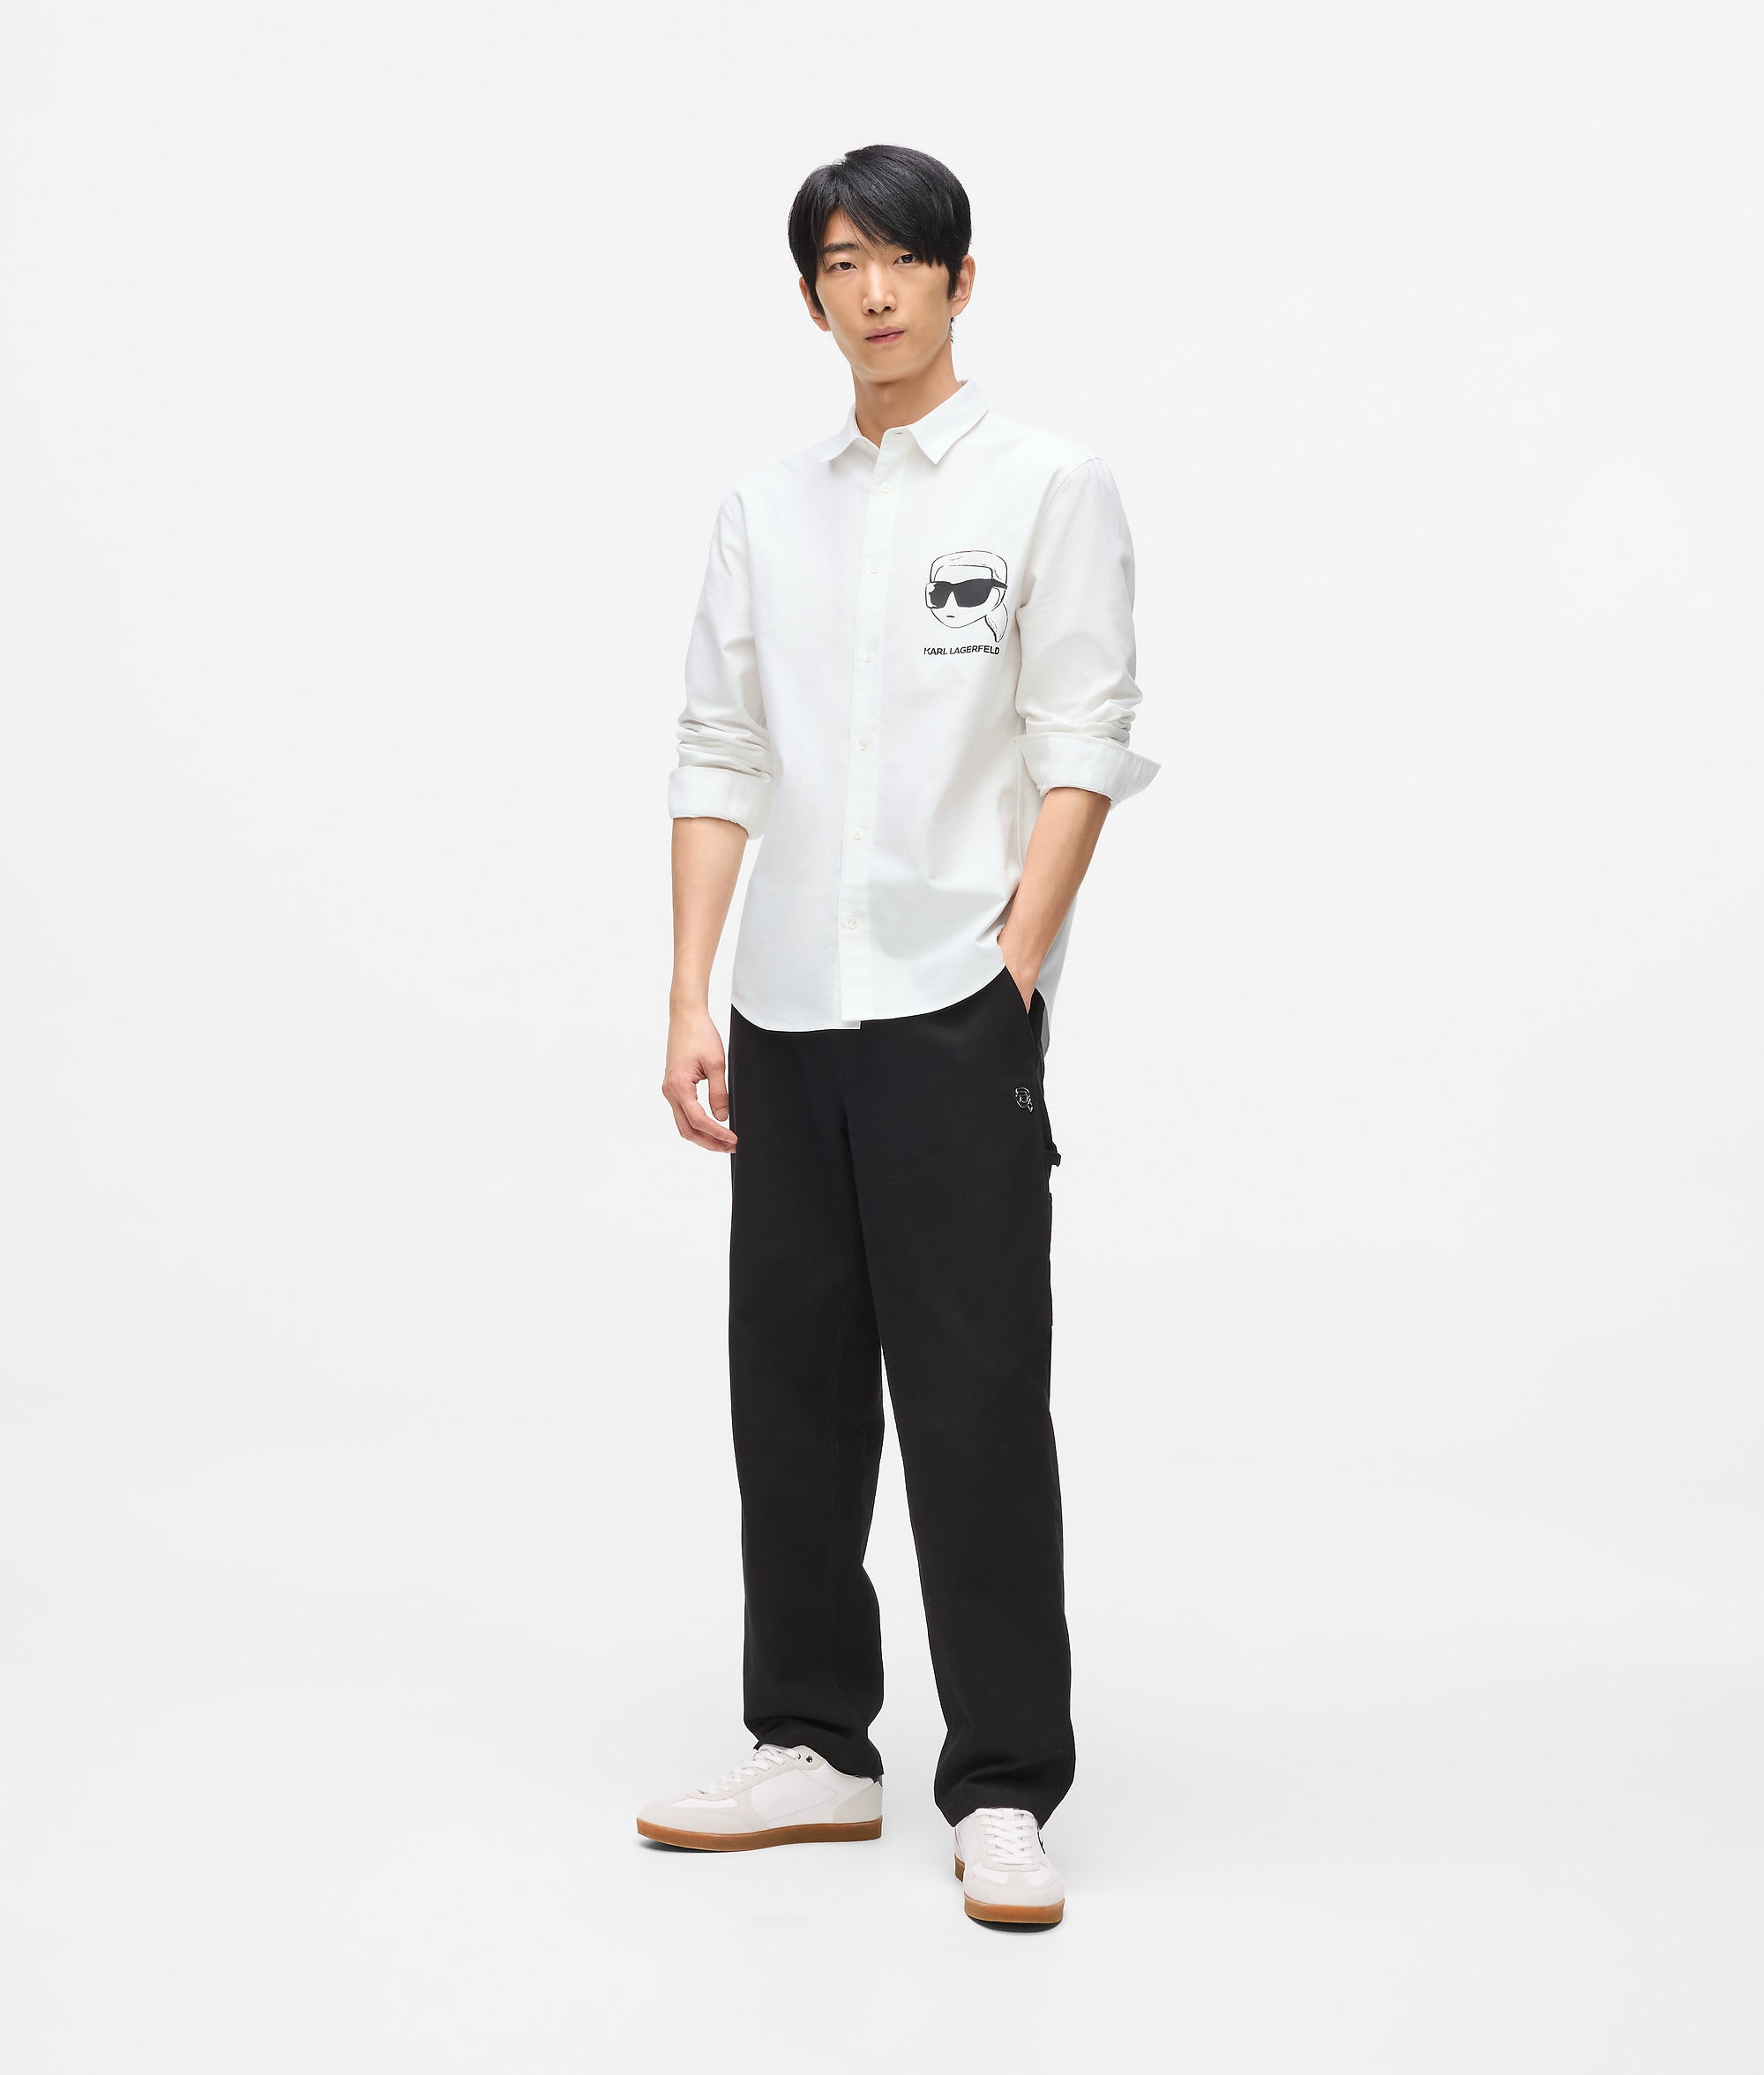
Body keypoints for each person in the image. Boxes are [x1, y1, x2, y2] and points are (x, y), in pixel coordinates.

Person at [646, 143, 1159, 1928]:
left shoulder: (1045, 485)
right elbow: (720, 747)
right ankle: (813, 1744)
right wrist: (690, 987)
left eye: (903, 260)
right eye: (841, 264)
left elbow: (1086, 730)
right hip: (785, 1005)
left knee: (972, 1397)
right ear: (810, 296)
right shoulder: (764, 509)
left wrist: (1014, 959)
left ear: (959, 280)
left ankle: (1003, 1783)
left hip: (951, 1009)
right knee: (788, 1392)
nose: (873, 292)